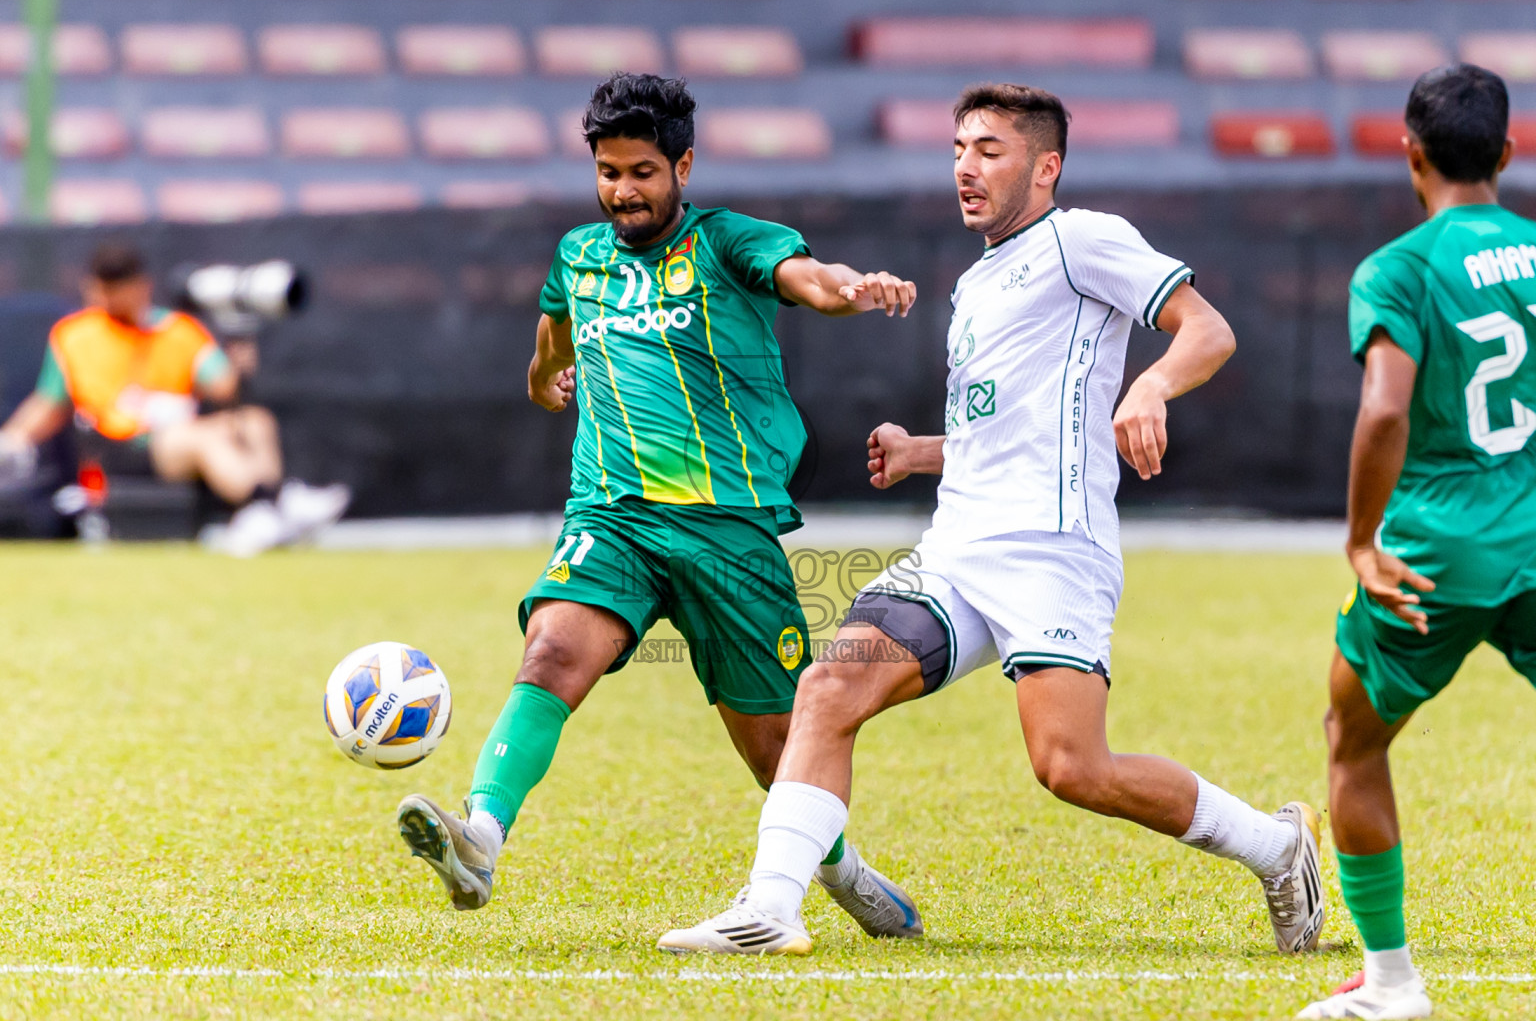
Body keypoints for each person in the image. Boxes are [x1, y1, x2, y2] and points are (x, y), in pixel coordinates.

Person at [660, 83, 1325, 957]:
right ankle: (770, 910)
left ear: (1045, 167)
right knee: (827, 690)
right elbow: (1003, 430)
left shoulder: (1081, 238)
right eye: (959, 149)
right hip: (956, 552)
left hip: (1053, 553)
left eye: (989, 150)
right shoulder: (975, 283)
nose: (965, 168)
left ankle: (1279, 849)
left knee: (1071, 769)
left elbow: (1208, 329)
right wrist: (920, 451)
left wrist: (1152, 385)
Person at [395, 73, 927, 940]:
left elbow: (807, 277)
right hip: (610, 517)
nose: (623, 192)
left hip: (729, 530)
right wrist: (544, 384)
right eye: (608, 172)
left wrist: (847, 289)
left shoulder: (728, 242)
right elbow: (548, 348)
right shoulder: (579, 257)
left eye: (642, 172)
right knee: (550, 654)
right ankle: (481, 835)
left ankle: (843, 871)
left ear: (683, 164)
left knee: (775, 751)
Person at [1298, 64, 1536, 1021]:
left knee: (1354, 744)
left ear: (1411, 152)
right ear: (1508, 153)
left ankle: (1392, 985)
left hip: (1433, 553)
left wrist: (1360, 539)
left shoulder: (1398, 267)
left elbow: (1386, 408)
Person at [0, 243, 349, 555]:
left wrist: (240, 358)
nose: (108, 299)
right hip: (120, 446)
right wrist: (13, 437)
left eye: (117, 289)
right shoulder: (74, 335)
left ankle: (264, 512)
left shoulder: (178, 331)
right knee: (201, 437)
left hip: (177, 436)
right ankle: (272, 505)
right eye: (101, 289)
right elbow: (49, 402)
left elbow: (224, 389)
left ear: (142, 286)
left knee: (255, 421)